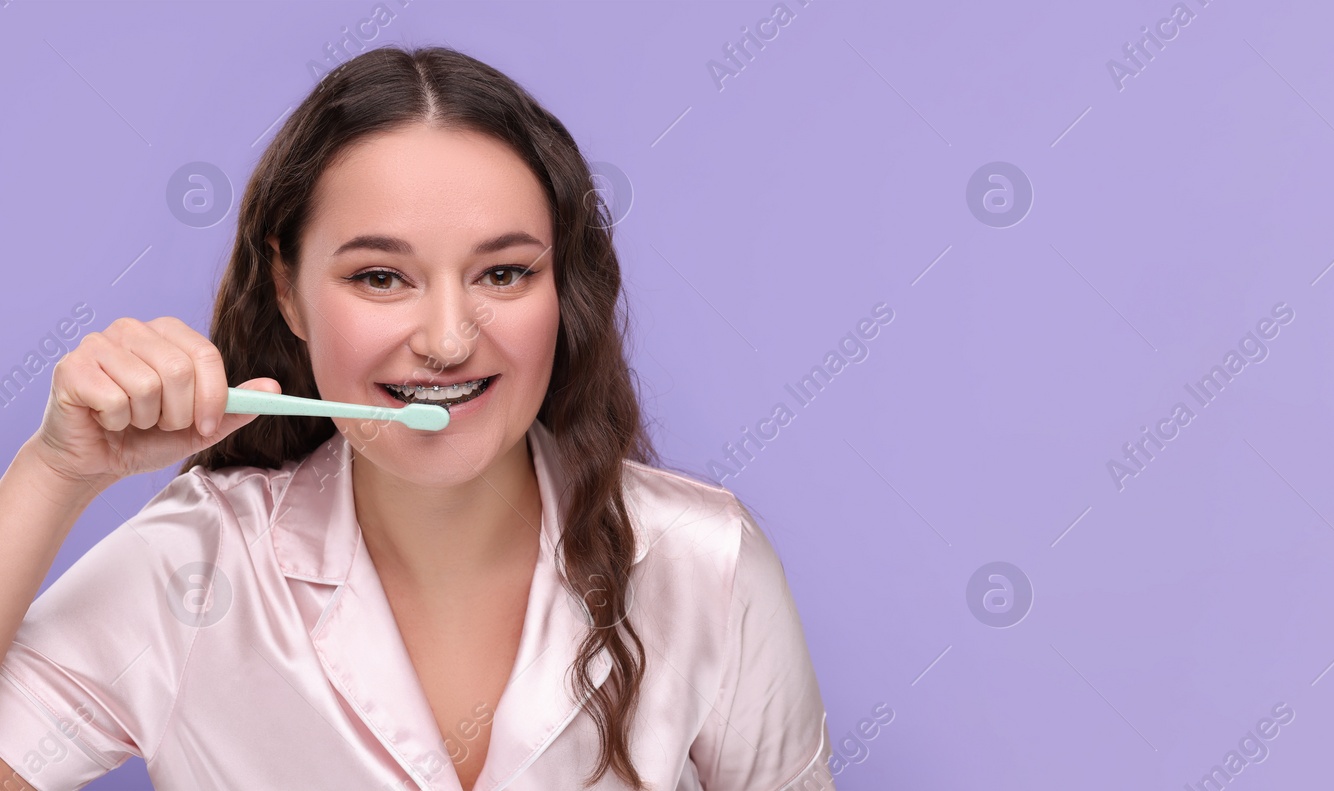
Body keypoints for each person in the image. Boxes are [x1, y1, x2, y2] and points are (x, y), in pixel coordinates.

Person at [0, 46, 834, 791]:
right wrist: (55, 473)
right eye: (380, 278)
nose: (445, 340)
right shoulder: (191, 566)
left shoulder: (705, 562)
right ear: (289, 292)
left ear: (561, 291)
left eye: (503, 274)